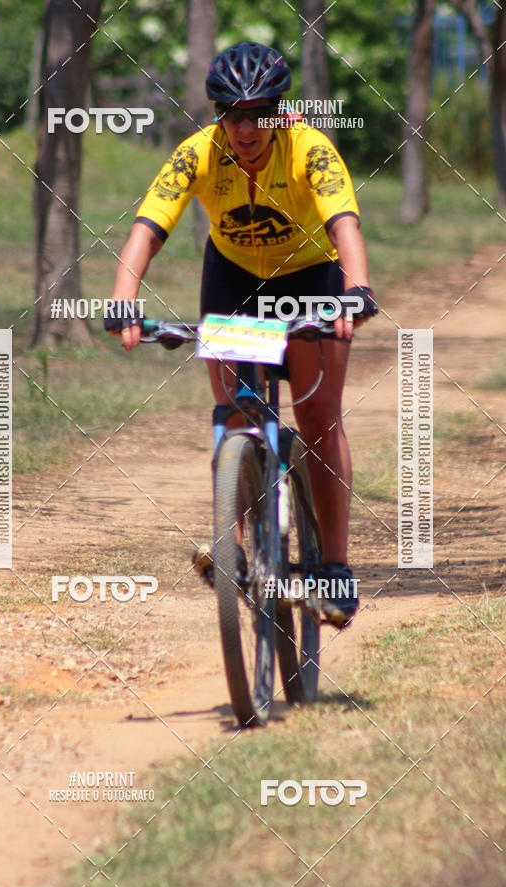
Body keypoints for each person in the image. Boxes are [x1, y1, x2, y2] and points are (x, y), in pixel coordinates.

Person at [109, 41, 377, 627]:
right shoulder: (197, 153)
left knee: (319, 418)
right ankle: (229, 544)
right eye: (233, 115)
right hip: (235, 282)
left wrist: (356, 291)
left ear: (280, 112)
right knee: (234, 414)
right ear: (219, 116)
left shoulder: (310, 148)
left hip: (312, 278)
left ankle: (335, 566)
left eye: (259, 114)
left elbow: (344, 225)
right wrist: (124, 298)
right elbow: (148, 227)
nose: (247, 128)